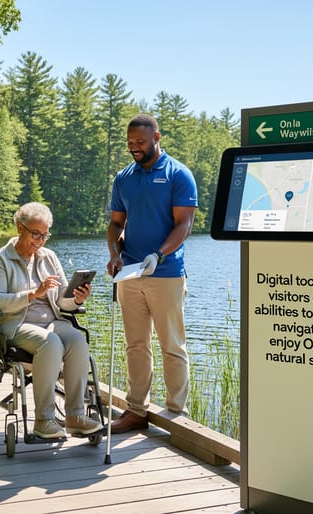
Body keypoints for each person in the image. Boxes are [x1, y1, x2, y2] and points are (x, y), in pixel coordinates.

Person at [106, 113, 198, 433]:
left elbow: (183, 225)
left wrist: (158, 255)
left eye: (140, 142)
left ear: (157, 138)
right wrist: (115, 255)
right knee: (135, 345)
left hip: (167, 273)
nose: (134, 148)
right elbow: (116, 224)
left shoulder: (178, 174)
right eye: (130, 143)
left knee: (172, 345)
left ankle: (177, 415)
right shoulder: (124, 178)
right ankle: (136, 410)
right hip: (130, 274)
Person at [0, 202, 103, 439]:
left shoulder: (49, 257)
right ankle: (44, 419)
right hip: (15, 324)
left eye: (45, 235)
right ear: (20, 228)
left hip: (51, 320)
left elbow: (62, 301)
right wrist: (32, 294)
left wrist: (77, 299)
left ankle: (75, 415)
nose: (40, 241)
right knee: (51, 343)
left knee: (77, 340)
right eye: (35, 234)